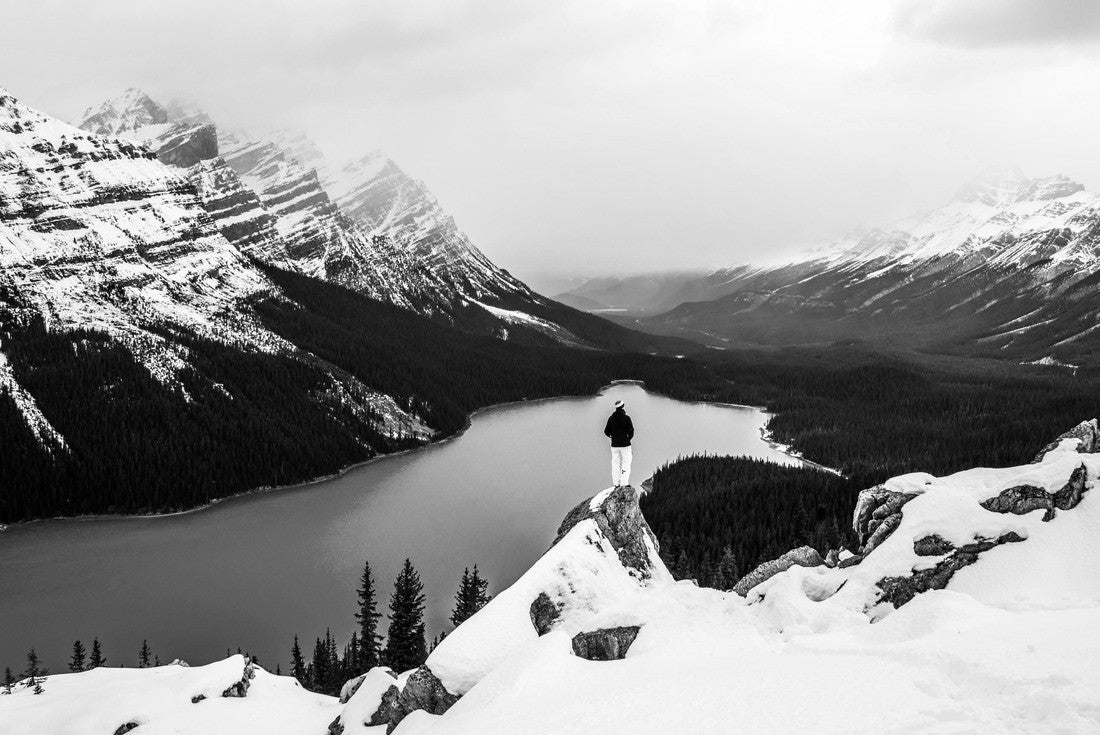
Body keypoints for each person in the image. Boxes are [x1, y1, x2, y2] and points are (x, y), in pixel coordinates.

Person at [603, 399, 634, 488]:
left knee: (615, 463)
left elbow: (606, 431)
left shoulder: (611, 418)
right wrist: (627, 439)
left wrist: (613, 437)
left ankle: (616, 483)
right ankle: (624, 483)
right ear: (623, 406)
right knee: (626, 463)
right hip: (625, 445)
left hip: (614, 445)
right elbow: (631, 431)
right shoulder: (626, 418)